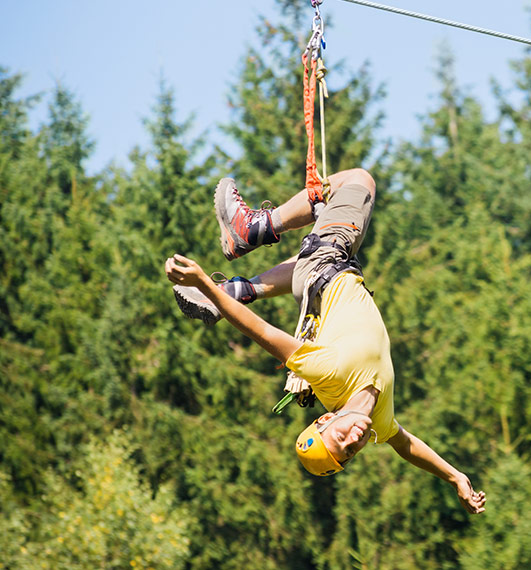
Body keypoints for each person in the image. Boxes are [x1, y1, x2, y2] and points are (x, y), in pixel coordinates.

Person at [164, 168, 486, 515]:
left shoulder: (329, 375)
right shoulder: (378, 421)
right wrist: (455, 477)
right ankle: (239, 289)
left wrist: (204, 284)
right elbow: (405, 444)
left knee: (359, 181)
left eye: (340, 438)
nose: (353, 439)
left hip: (326, 263)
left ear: (324, 421)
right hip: (319, 274)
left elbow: (263, 333)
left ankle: (252, 230)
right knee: (339, 208)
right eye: (349, 451)